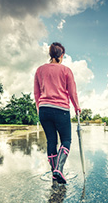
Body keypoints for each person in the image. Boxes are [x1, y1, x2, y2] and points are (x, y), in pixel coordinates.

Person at [34, 42, 81, 184]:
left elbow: (37, 93)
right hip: (61, 110)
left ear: (50, 55)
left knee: (51, 141)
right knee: (66, 140)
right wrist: (77, 107)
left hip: (44, 109)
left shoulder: (39, 70)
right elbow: (72, 92)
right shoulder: (66, 70)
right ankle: (59, 169)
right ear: (61, 55)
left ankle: (54, 172)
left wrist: (39, 108)